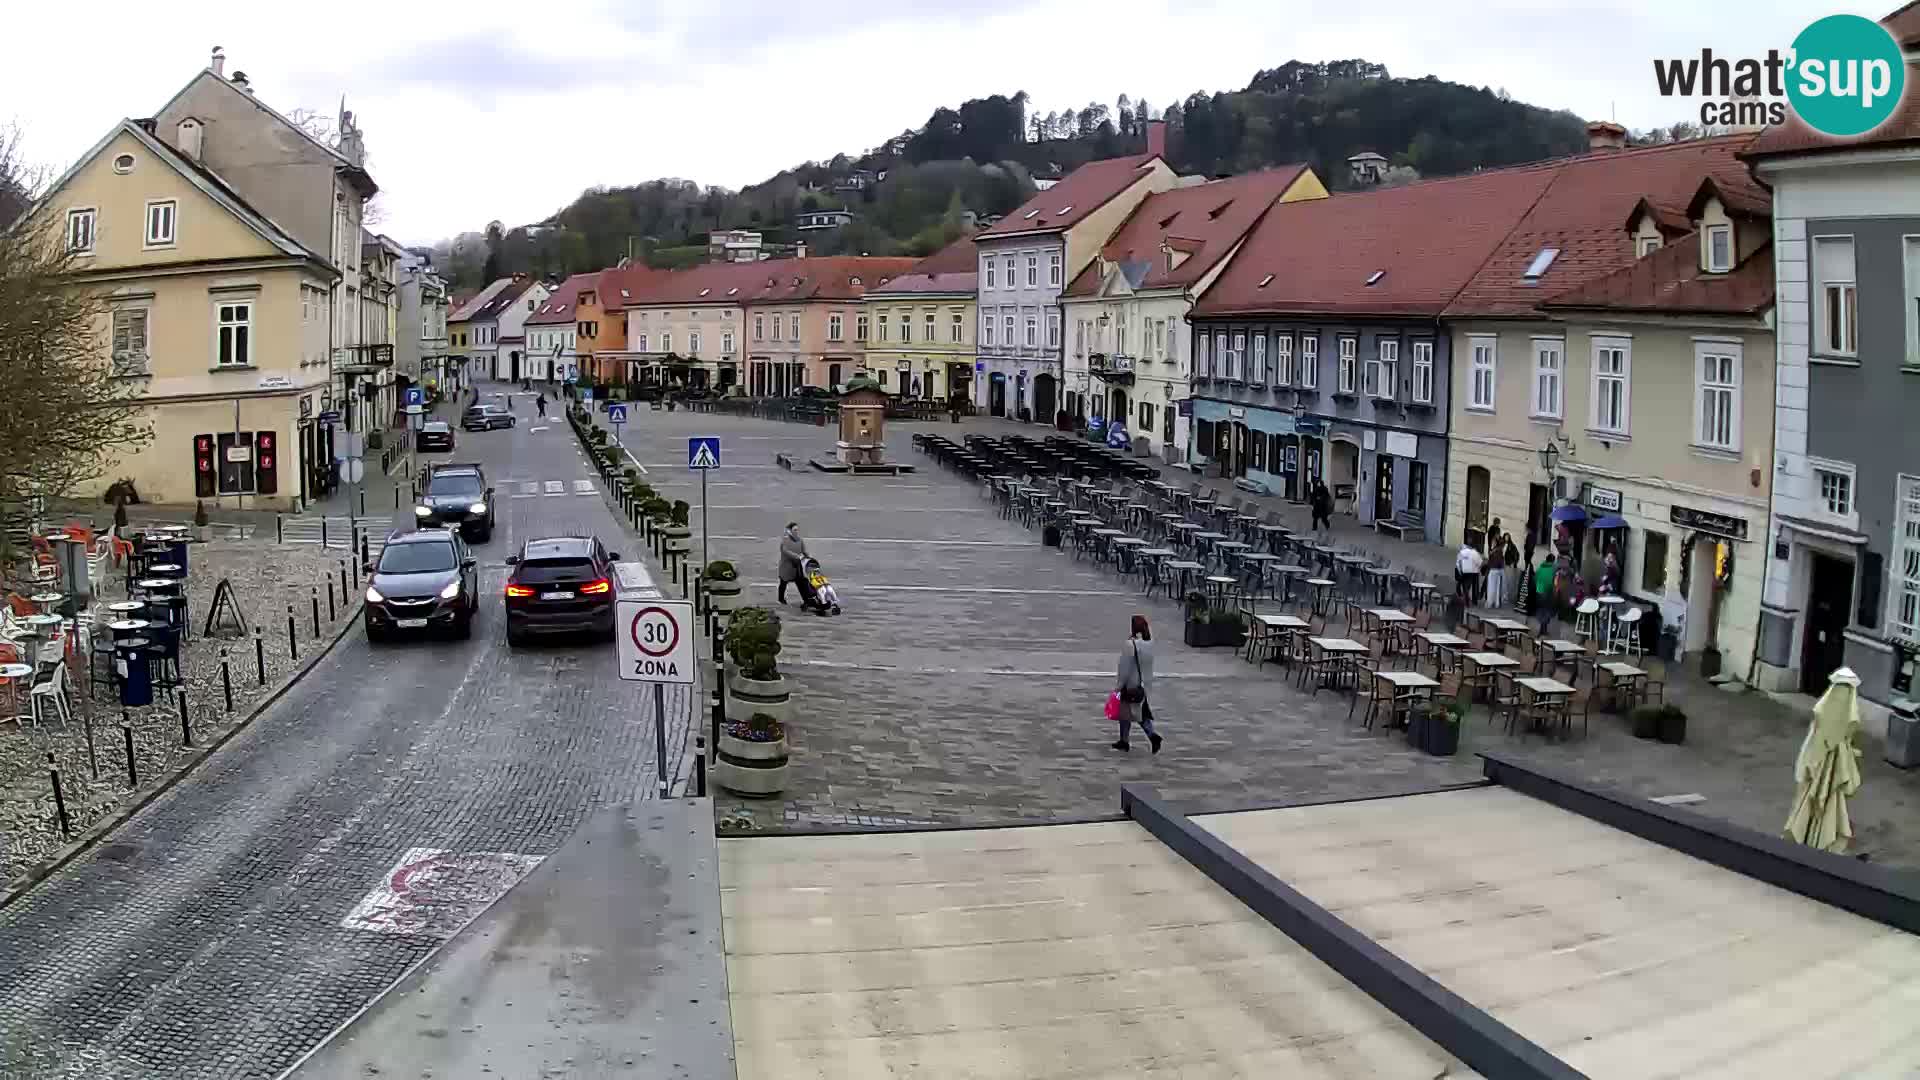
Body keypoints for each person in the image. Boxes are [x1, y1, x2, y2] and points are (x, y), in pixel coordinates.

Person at [1113, 614, 1162, 754]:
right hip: (1142, 684)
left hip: (1130, 684)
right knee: (1137, 713)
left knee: (1129, 714)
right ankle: (1127, 740)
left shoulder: (1131, 645)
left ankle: (1147, 737)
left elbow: (1125, 668)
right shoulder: (1150, 643)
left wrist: (1119, 686)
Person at [776, 523, 818, 608]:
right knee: (783, 583)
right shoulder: (785, 541)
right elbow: (785, 551)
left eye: (797, 530)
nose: (796, 531)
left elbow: (804, 550)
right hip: (786, 567)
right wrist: (797, 556)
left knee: (801, 584)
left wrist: (808, 556)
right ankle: (781, 599)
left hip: (798, 567)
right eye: (794, 530)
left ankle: (806, 601)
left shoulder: (800, 540)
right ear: (790, 531)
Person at [1455, 539, 1484, 606]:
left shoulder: (1462, 552)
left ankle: (1466, 599)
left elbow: (1458, 562)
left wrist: (1459, 571)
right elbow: (1480, 563)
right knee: (1474, 586)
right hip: (1473, 572)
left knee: (1466, 586)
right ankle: (1474, 600)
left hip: (1464, 571)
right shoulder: (1474, 553)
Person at [1484, 525, 1507, 608]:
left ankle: (1490, 602)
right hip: (1499, 567)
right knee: (1497, 586)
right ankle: (1496, 603)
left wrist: (1492, 551)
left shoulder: (1495, 544)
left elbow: (1491, 554)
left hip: (1494, 567)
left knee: (1491, 586)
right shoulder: (1501, 544)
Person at [1535, 555, 1558, 634]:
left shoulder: (1540, 568)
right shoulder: (1554, 570)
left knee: (1541, 610)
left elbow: (1535, 579)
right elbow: (1555, 582)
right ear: (1552, 561)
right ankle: (1543, 629)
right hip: (1548, 592)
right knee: (1547, 610)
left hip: (1539, 592)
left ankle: (1541, 628)